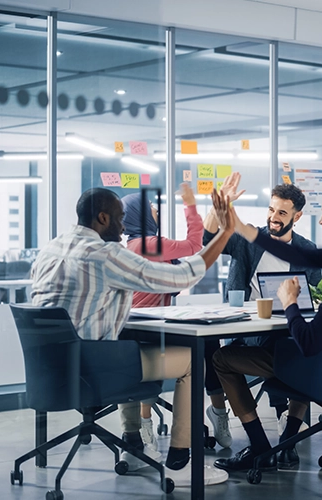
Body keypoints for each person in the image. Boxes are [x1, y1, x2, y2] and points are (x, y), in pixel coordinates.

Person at [30, 187, 235, 485]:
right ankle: (180, 461)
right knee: (191, 360)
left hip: (50, 369)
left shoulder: (50, 249)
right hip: (93, 370)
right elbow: (184, 276)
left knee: (126, 344)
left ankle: (135, 446)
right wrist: (225, 232)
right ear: (103, 218)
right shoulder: (105, 254)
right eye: (120, 218)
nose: (124, 226)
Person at [212, 183, 322, 473]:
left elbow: (309, 343)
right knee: (288, 347)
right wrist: (243, 229)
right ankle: (288, 441)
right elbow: (304, 258)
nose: (320, 220)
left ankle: (260, 448)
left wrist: (290, 302)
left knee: (222, 359)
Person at [202, 175, 322, 429]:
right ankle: (270, 422)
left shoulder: (306, 249)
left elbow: (317, 297)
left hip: (286, 329)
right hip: (248, 329)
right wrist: (220, 204)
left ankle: (289, 428)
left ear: (296, 217)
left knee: (302, 347)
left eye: (282, 213)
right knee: (289, 349)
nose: (274, 217)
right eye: (272, 209)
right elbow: (208, 239)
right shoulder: (248, 239)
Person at [121, 183, 232, 452]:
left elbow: (171, 284)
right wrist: (190, 203)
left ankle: (142, 427)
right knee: (205, 351)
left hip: (144, 328)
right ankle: (188, 439)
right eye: (152, 208)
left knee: (206, 347)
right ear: (140, 215)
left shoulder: (134, 245)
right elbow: (195, 244)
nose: (157, 211)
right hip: (152, 330)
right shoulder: (150, 244)